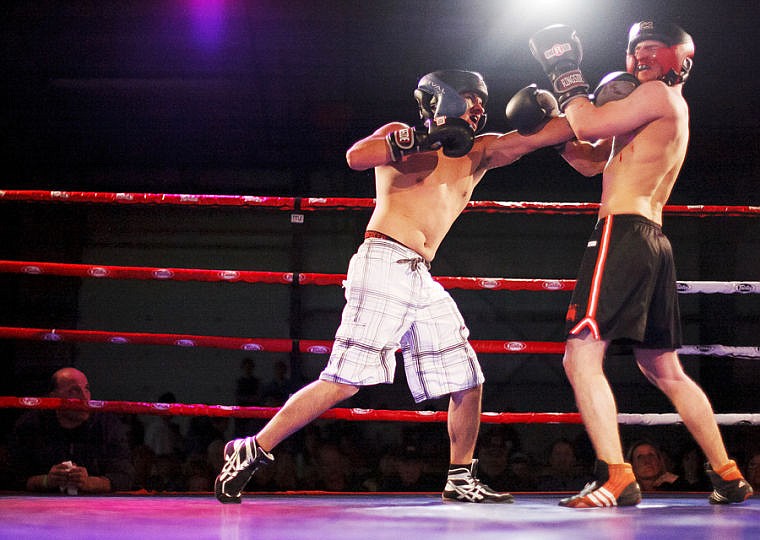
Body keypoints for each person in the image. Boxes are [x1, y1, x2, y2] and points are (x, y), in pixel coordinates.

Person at [214, 69, 576, 504]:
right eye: (469, 98)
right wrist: (419, 141)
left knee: (468, 379)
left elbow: (534, 139)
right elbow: (355, 157)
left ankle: (460, 476)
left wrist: (569, 99)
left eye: (482, 101)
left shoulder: (478, 152)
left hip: (421, 276)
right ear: (441, 98)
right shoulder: (401, 136)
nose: (479, 107)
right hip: (384, 260)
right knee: (345, 381)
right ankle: (252, 449)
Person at [528, 20, 754, 507]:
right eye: (637, 49)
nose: (643, 56)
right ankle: (728, 473)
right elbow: (590, 158)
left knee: (580, 355)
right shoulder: (652, 108)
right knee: (663, 367)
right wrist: (549, 127)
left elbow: (586, 121)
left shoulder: (660, 97)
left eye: (654, 48)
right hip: (652, 240)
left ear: (679, 59)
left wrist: (565, 71)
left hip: (622, 233)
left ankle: (616, 475)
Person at [7, 367, 135, 493]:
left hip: (95, 507)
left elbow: (124, 477)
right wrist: (46, 481)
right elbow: (11, 476)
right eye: (74, 391)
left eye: (86, 389)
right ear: (54, 397)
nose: (84, 397)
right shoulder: (30, 424)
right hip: (40, 506)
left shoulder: (107, 425)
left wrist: (89, 483)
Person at [627, 439, 691, 491]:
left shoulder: (675, 488)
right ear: (632, 465)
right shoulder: (627, 493)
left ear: (660, 461)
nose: (647, 461)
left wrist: (677, 481)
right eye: (640, 457)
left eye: (651, 455)